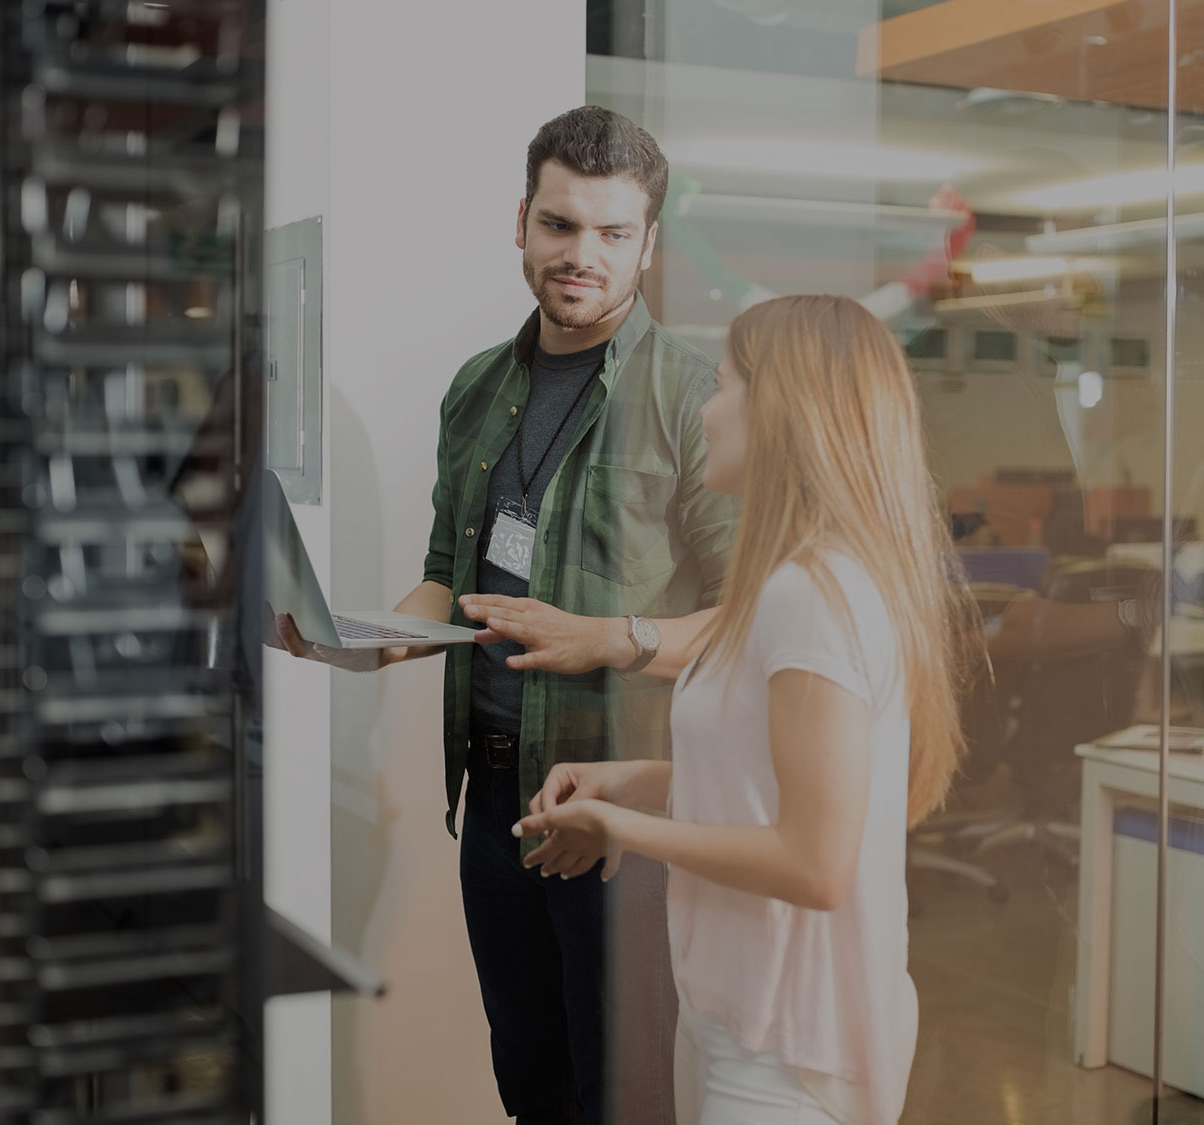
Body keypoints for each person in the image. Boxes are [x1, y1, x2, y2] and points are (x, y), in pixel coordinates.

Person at [274, 106, 737, 1125]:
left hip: (624, 816)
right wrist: (362, 638)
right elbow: (448, 574)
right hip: (495, 802)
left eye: (615, 234)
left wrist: (609, 639)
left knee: (625, 1099)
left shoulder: (697, 398)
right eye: (562, 226)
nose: (583, 256)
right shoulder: (477, 389)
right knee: (531, 1089)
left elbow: (747, 623)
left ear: (650, 245)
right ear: (522, 220)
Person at [506, 295, 976, 1125]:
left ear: (781, 412)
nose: (707, 410)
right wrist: (634, 781)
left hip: (789, 1049)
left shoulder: (812, 595)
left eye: (722, 388)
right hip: (738, 1017)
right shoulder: (790, 584)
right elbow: (767, 779)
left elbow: (814, 863)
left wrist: (620, 831)